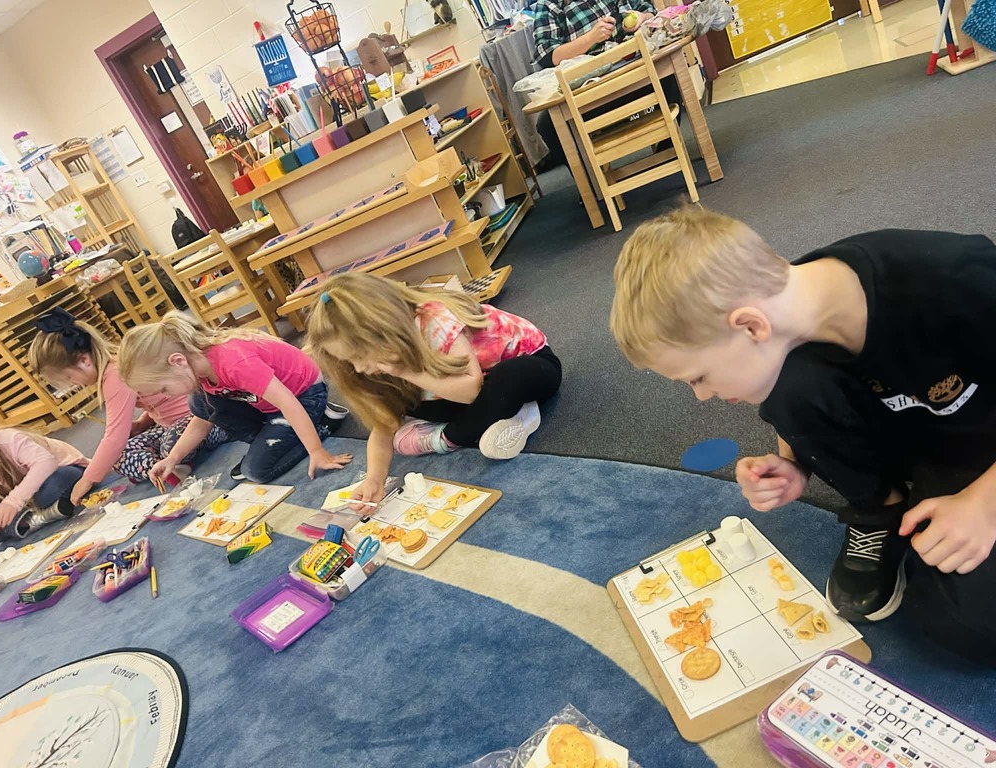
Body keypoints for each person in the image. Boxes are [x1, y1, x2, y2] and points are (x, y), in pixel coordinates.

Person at [610, 205, 996, 666]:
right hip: (923, 434)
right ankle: (881, 511)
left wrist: (983, 505)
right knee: (787, 381)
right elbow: (804, 396)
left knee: (968, 625)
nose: (701, 396)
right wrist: (798, 463)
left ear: (750, 325)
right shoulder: (790, 317)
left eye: (698, 377)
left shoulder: (952, 279)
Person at [304, 273, 562, 509]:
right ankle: (496, 418)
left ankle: (459, 434)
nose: (358, 368)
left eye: (359, 356)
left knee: (509, 377)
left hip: (530, 367)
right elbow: (383, 426)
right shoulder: (379, 364)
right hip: (467, 387)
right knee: (408, 400)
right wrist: (374, 478)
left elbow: (471, 391)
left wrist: (404, 372)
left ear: (383, 331)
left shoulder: (434, 320)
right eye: (350, 361)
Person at [118, 312, 352, 485]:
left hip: (304, 396)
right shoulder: (200, 369)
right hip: (271, 406)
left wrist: (317, 451)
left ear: (178, 361)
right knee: (199, 403)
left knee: (256, 471)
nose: (167, 395)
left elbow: (286, 401)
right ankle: (273, 442)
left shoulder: (233, 362)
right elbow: (201, 421)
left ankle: (322, 424)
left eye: (164, 388)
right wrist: (172, 458)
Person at [29, 309, 228, 503]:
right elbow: (158, 400)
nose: (75, 385)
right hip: (169, 427)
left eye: (69, 378)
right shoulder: (115, 367)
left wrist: (87, 479)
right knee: (122, 454)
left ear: (84, 360)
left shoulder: (113, 375)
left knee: (158, 444)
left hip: (205, 421)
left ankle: (171, 463)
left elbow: (114, 437)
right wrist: (142, 423)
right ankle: (168, 468)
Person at [532, 1, 679, 167]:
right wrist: (589, 39)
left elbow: (650, 10)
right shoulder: (548, 6)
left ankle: (668, 150)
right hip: (588, 92)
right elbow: (548, 56)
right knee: (548, 124)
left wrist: (642, 17)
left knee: (666, 67)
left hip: (634, 73)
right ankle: (592, 183)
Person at [0, 425, 89, 546]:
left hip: (62, 473)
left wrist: (13, 502)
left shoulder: (7, 440)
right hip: (27, 499)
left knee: (59, 480)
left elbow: (46, 463)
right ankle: (43, 515)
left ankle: (27, 521)